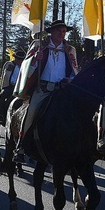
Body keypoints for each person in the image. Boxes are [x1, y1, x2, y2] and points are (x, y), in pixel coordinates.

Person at [16, 19, 79, 150]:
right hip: (43, 88)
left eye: (63, 31)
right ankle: (22, 143)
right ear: (51, 32)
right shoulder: (39, 45)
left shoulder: (70, 50)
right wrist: (34, 60)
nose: (61, 34)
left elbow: (74, 71)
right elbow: (26, 67)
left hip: (62, 90)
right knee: (31, 111)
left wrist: (71, 81)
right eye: (58, 31)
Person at [0, 49, 25, 123]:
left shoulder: (24, 67)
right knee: (2, 95)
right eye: (18, 59)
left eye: (21, 59)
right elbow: (8, 76)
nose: (20, 61)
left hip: (20, 88)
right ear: (15, 58)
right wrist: (16, 84)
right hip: (9, 87)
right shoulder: (10, 65)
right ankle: (0, 113)